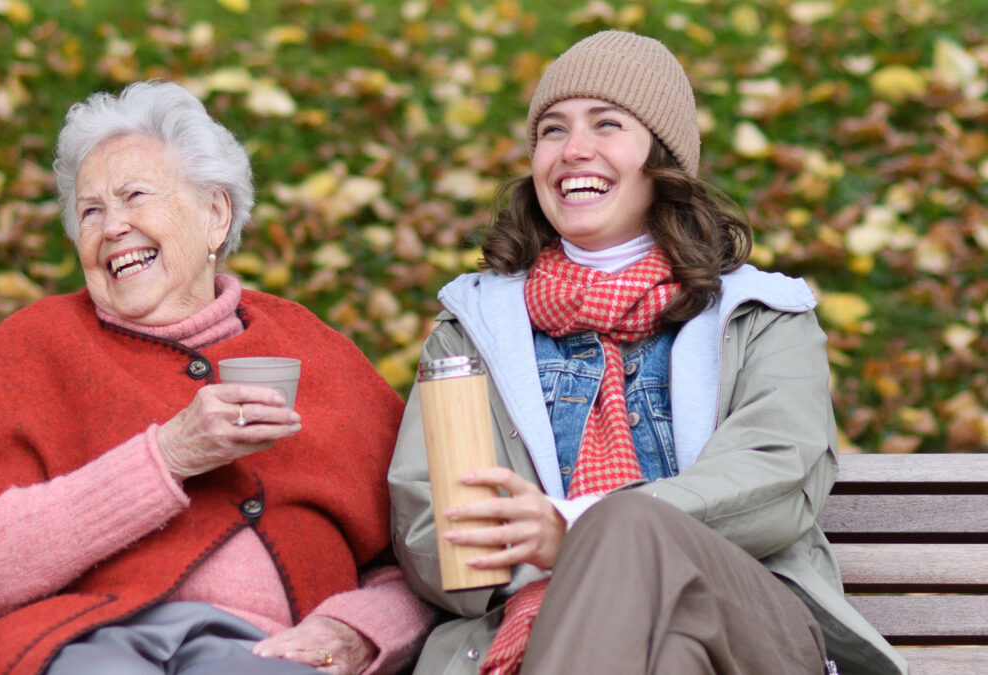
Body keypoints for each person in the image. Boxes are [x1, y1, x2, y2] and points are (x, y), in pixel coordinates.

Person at [388, 30, 907, 675]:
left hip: (748, 624)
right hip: (548, 629)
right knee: (668, 652)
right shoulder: (472, 331)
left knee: (630, 529)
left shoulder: (762, 316)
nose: (573, 150)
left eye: (607, 124)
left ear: (661, 158)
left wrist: (577, 532)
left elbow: (778, 478)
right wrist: (544, 553)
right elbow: (431, 532)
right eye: (552, 130)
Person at [0, 80, 432, 675]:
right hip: (78, 643)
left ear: (214, 214)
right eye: (91, 211)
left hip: (261, 654)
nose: (111, 228)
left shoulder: (319, 352)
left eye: (134, 196)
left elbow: (421, 563)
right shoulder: (31, 348)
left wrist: (361, 630)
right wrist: (168, 456)